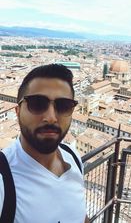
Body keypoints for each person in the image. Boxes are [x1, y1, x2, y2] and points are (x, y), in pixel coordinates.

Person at [0, 64, 90, 223]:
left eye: (63, 106)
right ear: (18, 111)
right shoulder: (3, 179)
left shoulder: (73, 157)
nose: (51, 117)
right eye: (37, 103)